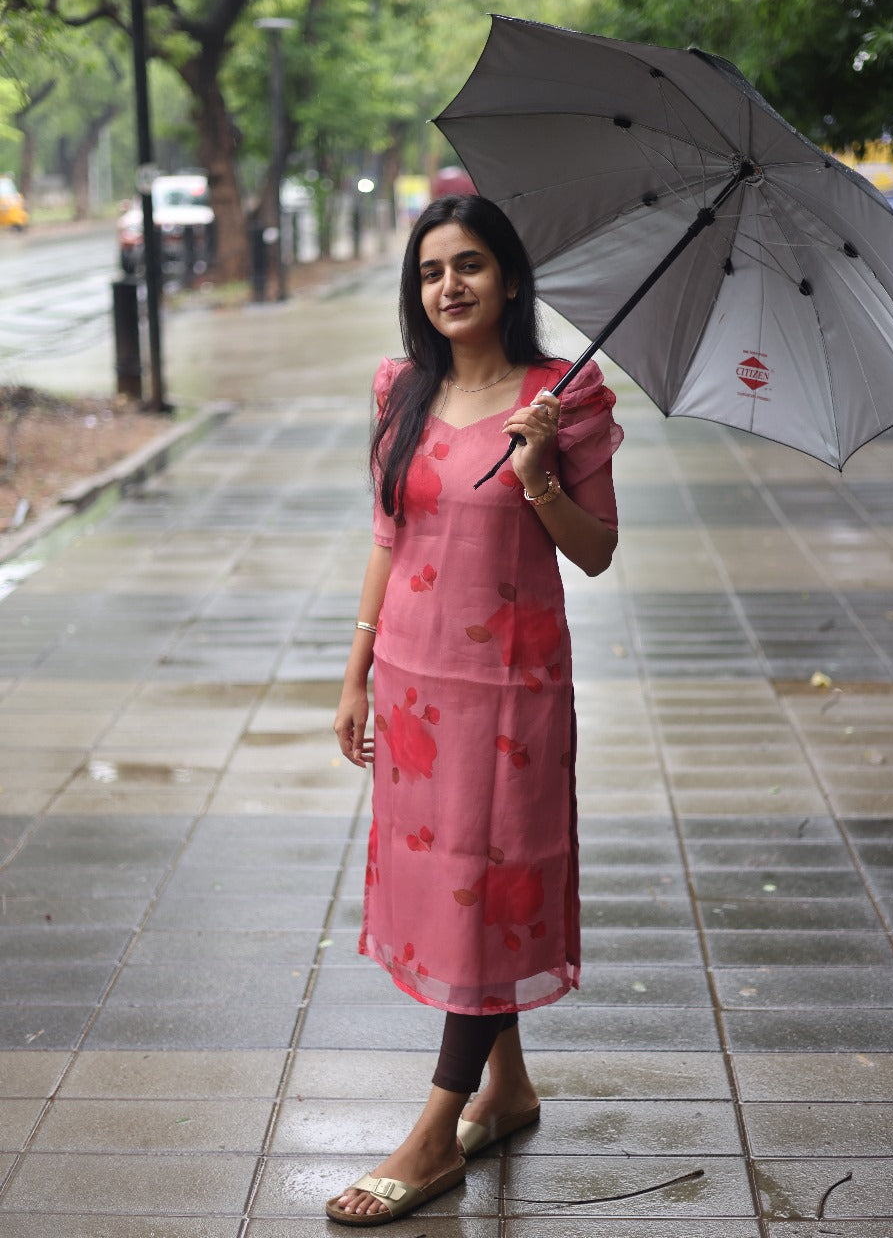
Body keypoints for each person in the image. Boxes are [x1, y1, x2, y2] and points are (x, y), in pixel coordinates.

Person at [329, 194, 623, 1226]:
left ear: (509, 279)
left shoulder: (563, 398)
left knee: (487, 889)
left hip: (511, 694)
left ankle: (433, 1133)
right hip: (413, 686)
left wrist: (540, 472)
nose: (447, 286)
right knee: (452, 885)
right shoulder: (399, 389)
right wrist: (357, 669)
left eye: (469, 266)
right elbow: (385, 534)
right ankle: (508, 1088)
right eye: (428, 270)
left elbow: (595, 551)